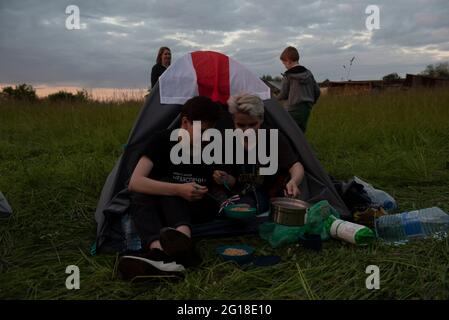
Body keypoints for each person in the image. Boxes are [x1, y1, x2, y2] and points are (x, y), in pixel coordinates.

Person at [117, 96, 222, 279]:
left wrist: (219, 179)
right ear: (185, 122)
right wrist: (178, 189)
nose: (206, 138)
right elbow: (135, 182)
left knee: (166, 184)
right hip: (165, 208)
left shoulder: (212, 146)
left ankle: (181, 245)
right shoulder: (162, 140)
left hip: (197, 207)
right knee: (148, 190)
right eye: (202, 132)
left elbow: (217, 185)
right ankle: (159, 254)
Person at [213, 93, 305, 214]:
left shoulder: (273, 137)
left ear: (261, 119)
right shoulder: (227, 141)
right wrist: (224, 178)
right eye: (241, 125)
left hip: (266, 192)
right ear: (233, 120)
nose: (247, 131)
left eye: (252, 125)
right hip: (238, 193)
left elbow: (295, 165)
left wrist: (294, 181)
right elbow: (232, 181)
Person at [276, 46, 321, 133]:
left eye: (284, 63)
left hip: (291, 110)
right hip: (306, 110)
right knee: (300, 135)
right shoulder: (308, 73)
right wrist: (310, 103)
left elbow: (283, 94)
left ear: (288, 61)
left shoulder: (288, 75)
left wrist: (274, 98)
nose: (285, 66)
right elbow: (317, 91)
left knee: (287, 134)